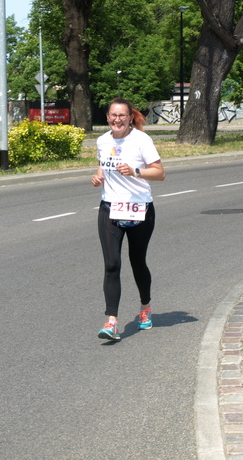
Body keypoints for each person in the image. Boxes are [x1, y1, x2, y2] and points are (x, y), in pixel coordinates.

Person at [91, 97, 165, 341]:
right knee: (112, 264)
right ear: (108, 117)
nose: (117, 119)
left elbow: (160, 173)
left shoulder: (142, 140)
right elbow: (104, 164)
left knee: (137, 261)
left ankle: (145, 308)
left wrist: (135, 171)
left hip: (139, 208)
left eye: (122, 115)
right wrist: (99, 176)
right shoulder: (102, 141)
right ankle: (111, 321)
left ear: (130, 117)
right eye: (113, 115)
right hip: (110, 209)